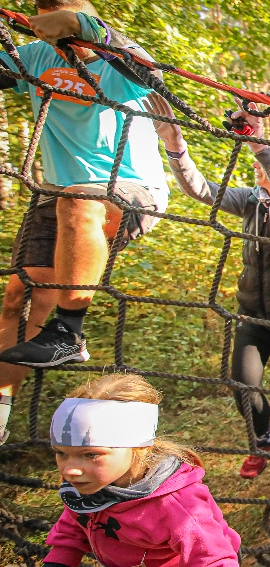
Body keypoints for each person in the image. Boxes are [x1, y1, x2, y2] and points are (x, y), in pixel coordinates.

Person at [0, 1, 170, 437]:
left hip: (130, 189)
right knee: (20, 295)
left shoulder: (116, 55)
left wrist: (91, 33)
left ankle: (69, 333)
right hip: (57, 192)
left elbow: (153, 77)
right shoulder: (32, 56)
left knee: (80, 202)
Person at [144, 94, 270, 498]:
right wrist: (175, 145)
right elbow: (201, 190)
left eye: (267, 165)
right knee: (242, 384)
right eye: (258, 165)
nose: (259, 171)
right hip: (253, 315)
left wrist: (262, 145)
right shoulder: (249, 201)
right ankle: (265, 438)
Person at [46, 374, 241, 566]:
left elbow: (213, 559)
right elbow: (73, 528)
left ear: (140, 446)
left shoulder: (177, 504)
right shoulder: (89, 481)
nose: (70, 470)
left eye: (90, 455)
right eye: (61, 453)